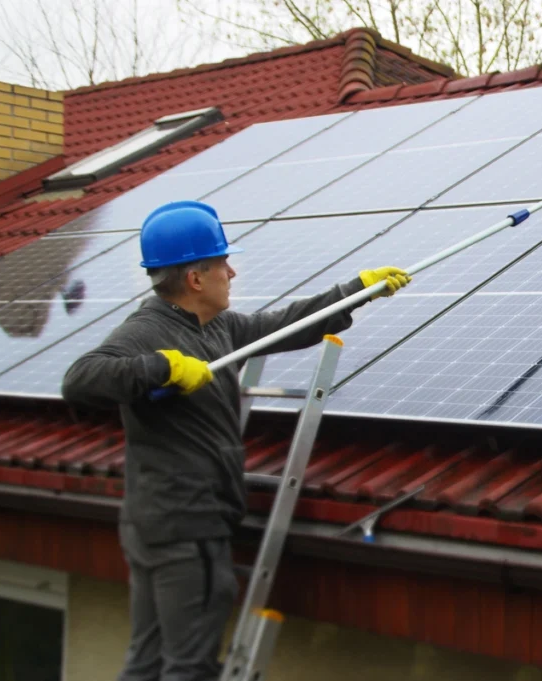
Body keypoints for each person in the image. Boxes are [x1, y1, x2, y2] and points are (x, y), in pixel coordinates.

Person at [61, 200, 410, 681]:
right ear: (196, 279)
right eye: (223, 263)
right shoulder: (147, 331)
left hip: (158, 521)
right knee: (189, 667)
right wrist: (161, 367)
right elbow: (80, 380)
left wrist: (356, 292)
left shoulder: (217, 327)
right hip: (186, 525)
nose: (233, 271)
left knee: (148, 662)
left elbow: (285, 325)